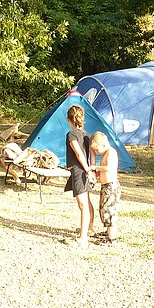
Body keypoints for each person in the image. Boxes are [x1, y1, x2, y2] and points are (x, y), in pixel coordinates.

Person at [64, 105, 96, 247]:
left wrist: (87, 170)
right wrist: (90, 169)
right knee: (87, 201)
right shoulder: (86, 134)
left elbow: (78, 153)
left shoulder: (71, 134)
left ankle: (83, 238)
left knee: (82, 204)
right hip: (85, 170)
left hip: (79, 170)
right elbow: (90, 154)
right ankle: (89, 228)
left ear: (68, 119)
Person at [89, 131, 121, 244]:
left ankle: (112, 238)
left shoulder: (111, 152)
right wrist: (96, 175)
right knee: (103, 209)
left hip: (111, 187)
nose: (96, 153)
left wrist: (94, 167)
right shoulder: (104, 154)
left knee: (109, 210)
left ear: (103, 145)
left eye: (97, 150)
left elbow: (108, 167)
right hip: (105, 186)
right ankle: (108, 231)